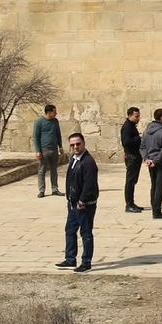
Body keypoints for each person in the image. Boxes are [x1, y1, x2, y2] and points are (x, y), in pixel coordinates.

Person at [55, 133, 100, 272]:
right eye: (72, 145)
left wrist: (82, 200)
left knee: (86, 233)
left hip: (84, 204)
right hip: (73, 203)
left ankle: (86, 262)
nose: (75, 147)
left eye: (78, 144)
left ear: (84, 143)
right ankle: (70, 259)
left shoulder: (88, 162)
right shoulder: (74, 159)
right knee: (70, 230)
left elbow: (89, 184)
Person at [142, 108, 162, 219]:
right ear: (161, 117)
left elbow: (143, 146)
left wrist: (147, 159)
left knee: (154, 185)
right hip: (161, 162)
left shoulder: (147, 130)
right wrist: (155, 161)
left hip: (151, 161)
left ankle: (154, 208)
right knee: (159, 186)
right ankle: (157, 211)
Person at [33, 104, 63, 198]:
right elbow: (36, 137)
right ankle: (41, 190)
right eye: (54, 112)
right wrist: (38, 151)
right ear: (49, 113)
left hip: (54, 150)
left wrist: (60, 147)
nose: (56, 113)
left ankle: (55, 189)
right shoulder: (39, 122)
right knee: (42, 171)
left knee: (54, 170)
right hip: (44, 150)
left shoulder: (55, 121)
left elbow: (58, 134)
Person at [120, 107, 144, 212]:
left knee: (133, 181)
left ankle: (132, 203)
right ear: (130, 116)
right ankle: (129, 205)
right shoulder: (127, 127)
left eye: (138, 116)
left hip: (135, 156)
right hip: (131, 156)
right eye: (136, 116)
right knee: (130, 181)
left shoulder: (131, 126)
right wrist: (138, 138)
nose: (138, 118)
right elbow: (126, 142)